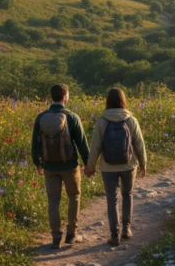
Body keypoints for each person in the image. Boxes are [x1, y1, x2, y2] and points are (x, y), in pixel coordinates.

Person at [85, 87, 147, 246]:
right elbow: (139, 144)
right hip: (128, 165)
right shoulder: (131, 120)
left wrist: (90, 167)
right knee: (128, 195)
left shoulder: (102, 121)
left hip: (108, 167)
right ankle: (126, 229)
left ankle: (114, 235)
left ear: (108, 101)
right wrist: (143, 164)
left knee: (111, 199)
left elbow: (95, 147)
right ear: (123, 100)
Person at [31, 83, 91, 249]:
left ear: (52, 97)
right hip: (70, 166)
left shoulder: (41, 117)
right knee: (74, 196)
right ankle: (71, 234)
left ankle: (56, 236)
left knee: (53, 201)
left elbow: (35, 142)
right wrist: (88, 165)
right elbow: (82, 145)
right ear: (65, 97)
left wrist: (38, 162)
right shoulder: (72, 117)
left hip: (49, 167)